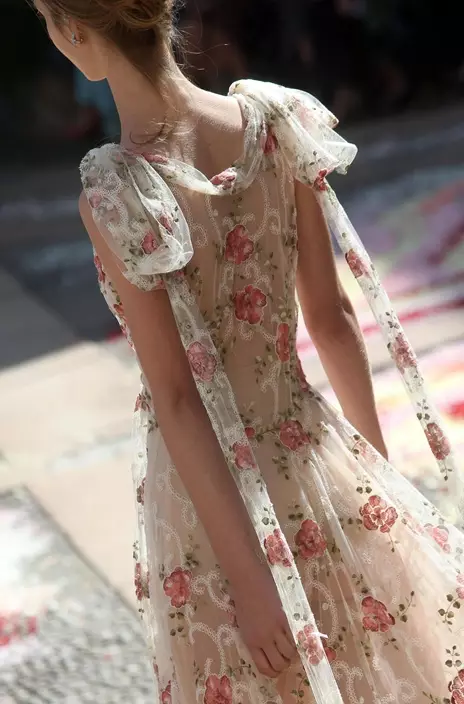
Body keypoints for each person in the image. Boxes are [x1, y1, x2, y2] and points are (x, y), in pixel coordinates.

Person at [33, 1, 464, 703]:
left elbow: (178, 397)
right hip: (314, 452)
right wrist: (379, 485)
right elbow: (332, 318)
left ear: (74, 30)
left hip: (212, 515)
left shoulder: (117, 192)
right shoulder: (273, 119)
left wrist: (250, 579)